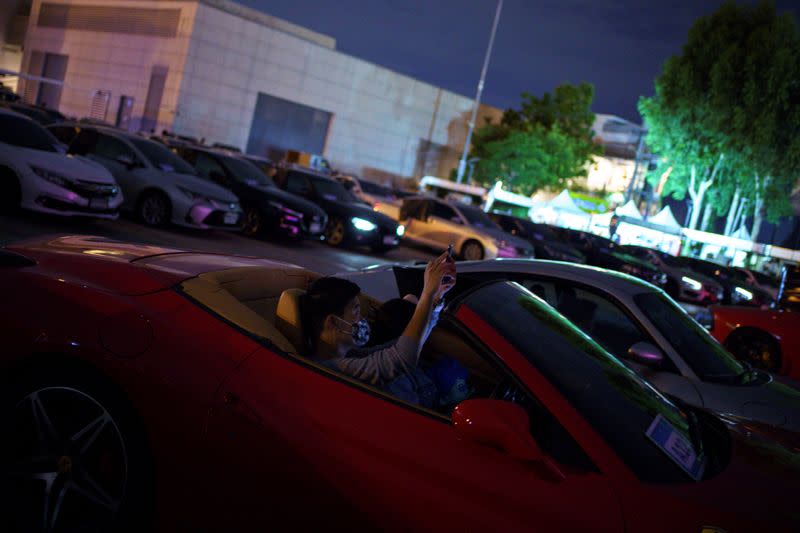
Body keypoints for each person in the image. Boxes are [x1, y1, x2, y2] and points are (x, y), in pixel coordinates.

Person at [305, 251, 456, 388]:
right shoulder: (333, 369)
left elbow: (404, 346)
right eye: (355, 310)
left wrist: (436, 298)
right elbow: (402, 358)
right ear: (333, 322)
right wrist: (428, 293)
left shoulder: (351, 355)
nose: (362, 318)